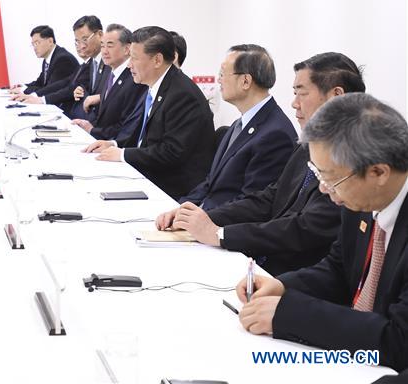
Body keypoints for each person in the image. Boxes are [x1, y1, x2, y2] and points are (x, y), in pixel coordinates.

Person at [236, 93, 408, 372]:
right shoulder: (361, 196)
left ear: (379, 172)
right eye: (319, 175)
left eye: (331, 179)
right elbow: (339, 269)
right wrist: (282, 285)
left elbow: (399, 341)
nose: (325, 190)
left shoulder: (361, 194)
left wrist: (290, 315)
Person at [156, 52, 364, 275]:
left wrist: (220, 234)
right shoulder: (309, 143)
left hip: (295, 271)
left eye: (301, 93)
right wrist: (201, 218)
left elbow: (305, 228)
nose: (294, 104)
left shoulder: (354, 156)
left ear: (336, 95)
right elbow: (271, 196)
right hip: (268, 261)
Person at [84, 26, 214, 199]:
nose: (129, 65)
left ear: (157, 60)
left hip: (172, 188)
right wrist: (113, 144)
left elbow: (171, 152)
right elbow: (143, 136)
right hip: (152, 174)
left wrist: (123, 154)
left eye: (134, 58)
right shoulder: (156, 85)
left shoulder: (182, 94)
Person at [176, 44, 297, 210]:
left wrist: (199, 218)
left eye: (222, 74)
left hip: (221, 227)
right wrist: (181, 207)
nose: (218, 80)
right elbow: (211, 183)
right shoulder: (241, 123)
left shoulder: (275, 135)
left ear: (245, 81)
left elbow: (251, 204)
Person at [16, 15, 106, 119]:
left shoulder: (63, 58)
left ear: (100, 35)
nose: (81, 46)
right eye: (77, 41)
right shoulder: (91, 62)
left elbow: (68, 88)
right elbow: (65, 82)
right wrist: (27, 90)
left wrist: (40, 98)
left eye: (85, 39)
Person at [71, 23, 147, 141]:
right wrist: (87, 126)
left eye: (110, 46)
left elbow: (125, 126)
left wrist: (92, 130)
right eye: (102, 46)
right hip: (100, 140)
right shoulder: (109, 72)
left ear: (127, 49)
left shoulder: (134, 79)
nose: (104, 51)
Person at [8, 25, 77, 96]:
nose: (34, 48)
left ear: (50, 41)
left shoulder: (63, 59)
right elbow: (40, 82)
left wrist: (24, 90)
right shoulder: (48, 59)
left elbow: (50, 89)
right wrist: (23, 86)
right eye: (33, 44)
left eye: (37, 43)